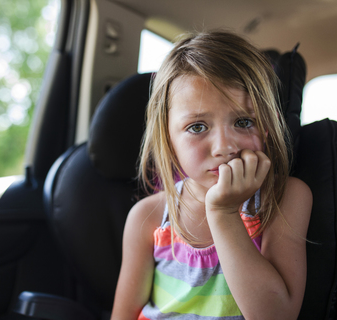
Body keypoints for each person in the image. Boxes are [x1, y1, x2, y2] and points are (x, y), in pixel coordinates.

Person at [111, 30, 312, 320]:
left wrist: (224, 212)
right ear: (168, 140)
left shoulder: (285, 197)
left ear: (266, 128)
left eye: (244, 121)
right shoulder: (150, 218)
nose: (224, 147)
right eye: (197, 127)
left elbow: (276, 315)